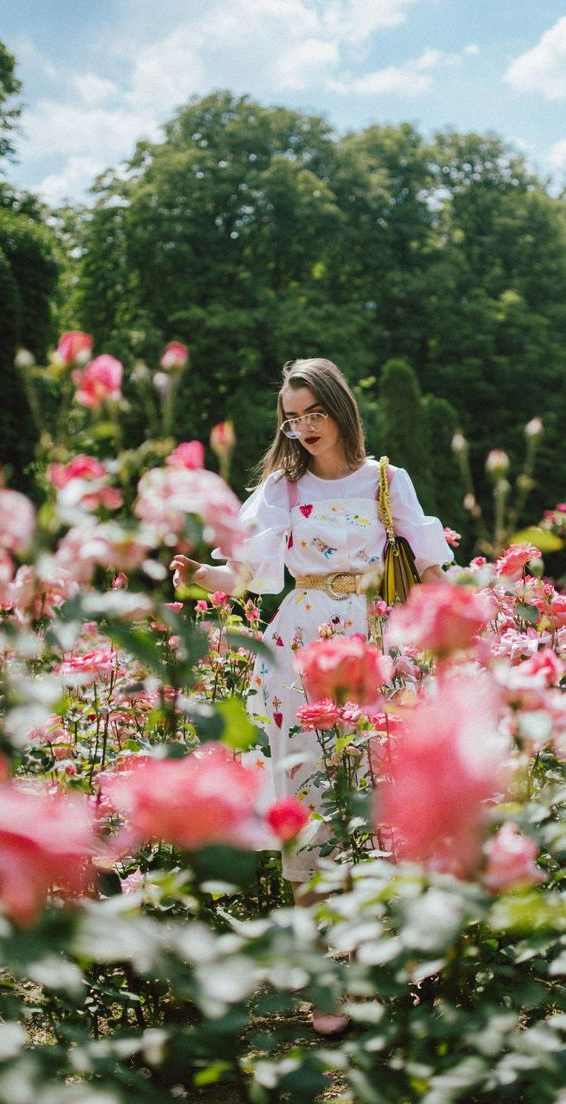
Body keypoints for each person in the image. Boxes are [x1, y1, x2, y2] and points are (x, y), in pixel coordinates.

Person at [170, 357, 450, 909]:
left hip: (376, 637)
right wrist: (204, 576)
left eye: (315, 412)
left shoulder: (387, 481)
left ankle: (386, 921)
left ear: (341, 408)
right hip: (302, 644)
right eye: (293, 419)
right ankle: (311, 931)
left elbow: (429, 570)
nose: (305, 428)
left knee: (380, 767)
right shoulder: (284, 488)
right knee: (304, 770)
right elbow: (245, 575)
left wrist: (457, 624)